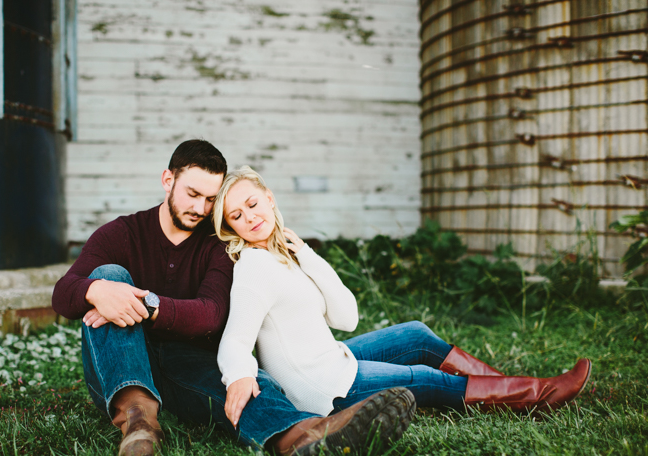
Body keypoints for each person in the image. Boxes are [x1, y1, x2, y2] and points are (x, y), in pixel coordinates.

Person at [52, 140, 422, 456]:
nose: (201, 207)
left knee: (248, 382)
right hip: (119, 368)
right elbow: (62, 294)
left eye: (211, 199)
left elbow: (210, 317)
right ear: (169, 181)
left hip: (188, 367)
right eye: (192, 194)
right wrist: (94, 291)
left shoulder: (218, 245)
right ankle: (139, 423)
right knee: (110, 276)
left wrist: (148, 304)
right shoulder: (123, 233)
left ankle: (304, 436)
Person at [212, 166, 593, 432]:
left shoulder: (286, 255)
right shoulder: (254, 265)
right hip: (324, 388)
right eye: (236, 215)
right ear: (232, 228)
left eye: (252, 203)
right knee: (425, 379)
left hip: (331, 359)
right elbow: (235, 340)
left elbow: (347, 318)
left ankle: (513, 385)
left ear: (269, 197)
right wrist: (239, 377)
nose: (249, 216)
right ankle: (538, 394)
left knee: (415, 335)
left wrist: (307, 254)